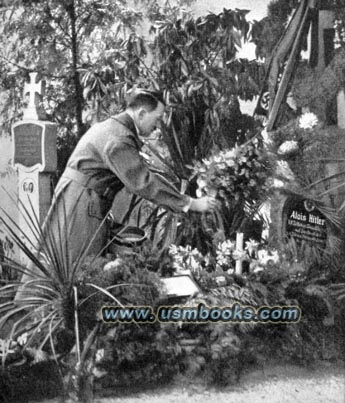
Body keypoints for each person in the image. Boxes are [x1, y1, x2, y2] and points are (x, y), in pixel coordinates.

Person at [17, 89, 217, 295]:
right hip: (81, 204)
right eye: (156, 119)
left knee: (60, 259)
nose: (157, 126)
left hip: (78, 198)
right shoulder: (118, 139)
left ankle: (39, 311)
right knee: (74, 270)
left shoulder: (113, 127)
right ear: (140, 114)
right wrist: (190, 203)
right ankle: (48, 317)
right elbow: (143, 181)